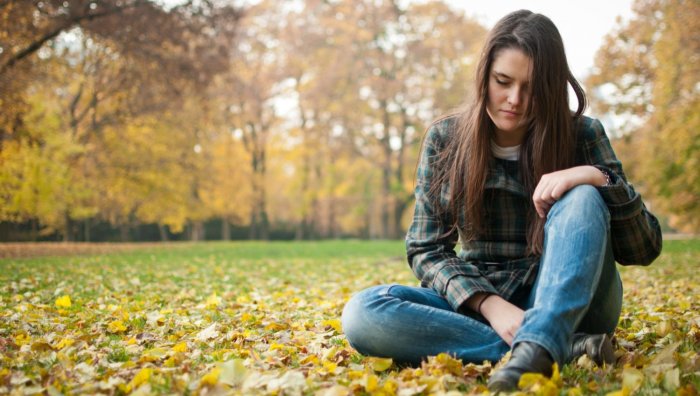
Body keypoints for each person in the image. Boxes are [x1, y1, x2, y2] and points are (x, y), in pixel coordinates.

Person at [341, 9, 662, 393]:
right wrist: (491, 306)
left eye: (531, 87)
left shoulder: (583, 134)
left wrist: (597, 178)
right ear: (484, 76)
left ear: (550, 86)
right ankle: (555, 349)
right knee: (365, 313)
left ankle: (548, 337)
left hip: (576, 303)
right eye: (503, 81)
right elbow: (426, 249)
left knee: (583, 197)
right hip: (485, 299)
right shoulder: (446, 139)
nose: (515, 99)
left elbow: (644, 249)